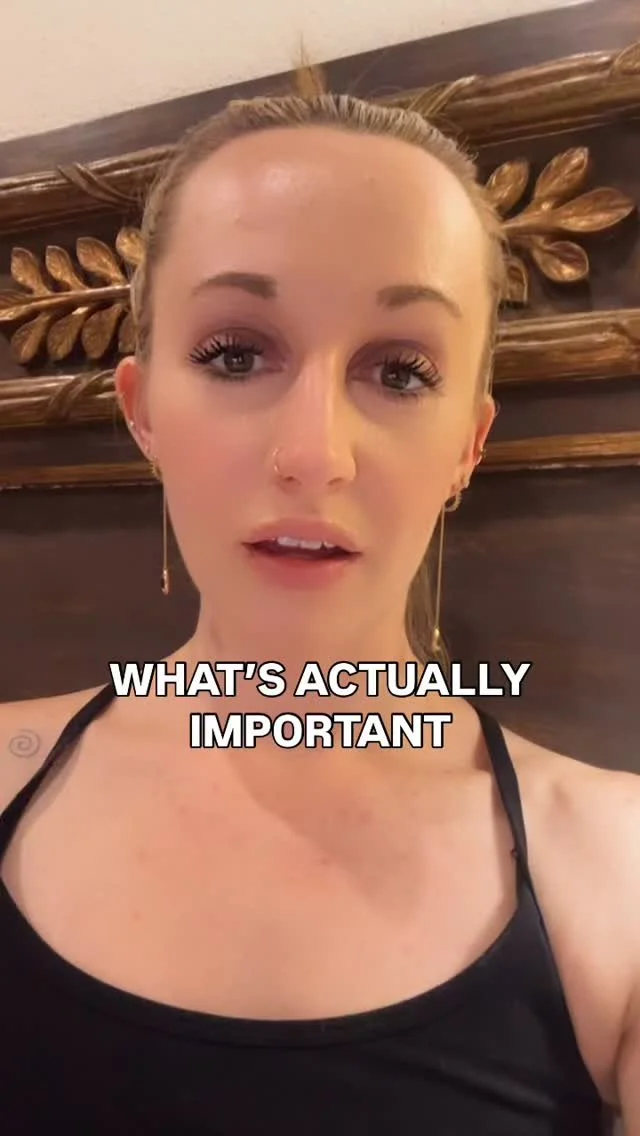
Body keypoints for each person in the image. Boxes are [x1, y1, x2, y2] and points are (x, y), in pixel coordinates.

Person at [0, 72, 637, 1135]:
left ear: (468, 444)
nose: (313, 453)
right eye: (236, 354)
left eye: (400, 371)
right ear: (144, 410)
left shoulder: (617, 869)